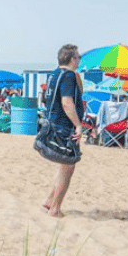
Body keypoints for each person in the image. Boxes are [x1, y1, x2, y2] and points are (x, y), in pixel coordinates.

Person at [42, 44, 84, 219]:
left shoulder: (54, 74)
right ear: (72, 59)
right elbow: (67, 102)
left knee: (64, 166)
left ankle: (50, 200)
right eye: (78, 57)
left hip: (53, 123)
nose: (80, 59)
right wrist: (78, 125)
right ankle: (55, 208)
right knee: (68, 167)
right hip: (65, 126)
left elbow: (75, 94)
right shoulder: (68, 76)